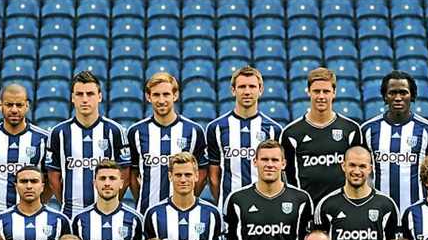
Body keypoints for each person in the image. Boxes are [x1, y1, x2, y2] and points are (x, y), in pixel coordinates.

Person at [224, 140, 313, 240]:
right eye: (264, 159)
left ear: (283, 164)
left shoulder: (301, 199)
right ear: (255, 162)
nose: (269, 164)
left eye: (275, 160)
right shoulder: (237, 200)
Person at [314, 145, 400, 240]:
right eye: (352, 165)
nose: (357, 171)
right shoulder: (327, 205)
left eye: (362, 166)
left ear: (370, 168)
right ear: (343, 166)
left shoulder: (386, 206)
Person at [46, 71, 131, 219]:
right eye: (79, 94)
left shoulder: (115, 131)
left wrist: (109, 202)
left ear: (100, 96)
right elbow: (53, 178)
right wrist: (67, 204)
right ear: (72, 98)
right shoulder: (58, 133)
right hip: (71, 214)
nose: (85, 99)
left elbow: (125, 173)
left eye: (90, 94)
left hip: (107, 213)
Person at [361, 70, 428, 213]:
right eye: (392, 93)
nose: (398, 98)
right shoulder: (367, 130)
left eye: (403, 93)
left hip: (417, 212)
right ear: (385, 97)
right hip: (378, 211)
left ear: (412, 96)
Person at [281, 67, 363, 204]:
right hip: (307, 209)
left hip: (343, 208)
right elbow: (287, 178)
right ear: (308, 92)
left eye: (326, 91)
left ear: (334, 93)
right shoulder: (291, 133)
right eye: (316, 91)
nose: (321, 96)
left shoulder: (351, 129)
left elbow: (359, 172)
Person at [128, 72, 207, 213]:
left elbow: (201, 174)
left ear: (175, 95)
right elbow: (132, 175)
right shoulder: (136, 132)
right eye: (156, 95)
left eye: (166, 94)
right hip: (146, 212)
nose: (161, 100)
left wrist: (187, 196)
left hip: (184, 211)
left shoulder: (194, 131)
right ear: (148, 97)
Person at [206, 66, 283, 208]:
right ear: (233, 90)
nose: (247, 92)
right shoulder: (216, 128)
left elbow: (278, 174)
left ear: (260, 90)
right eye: (242, 87)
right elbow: (213, 176)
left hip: (265, 207)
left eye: (252, 87)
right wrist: (225, 201)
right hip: (228, 209)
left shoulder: (274, 130)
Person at [0, 83, 49, 214]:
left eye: (19, 105)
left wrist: (37, 206)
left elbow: (50, 179)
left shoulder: (43, 139)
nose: (14, 110)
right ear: (0, 105)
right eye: (9, 105)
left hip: (33, 214)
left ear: (27, 106)